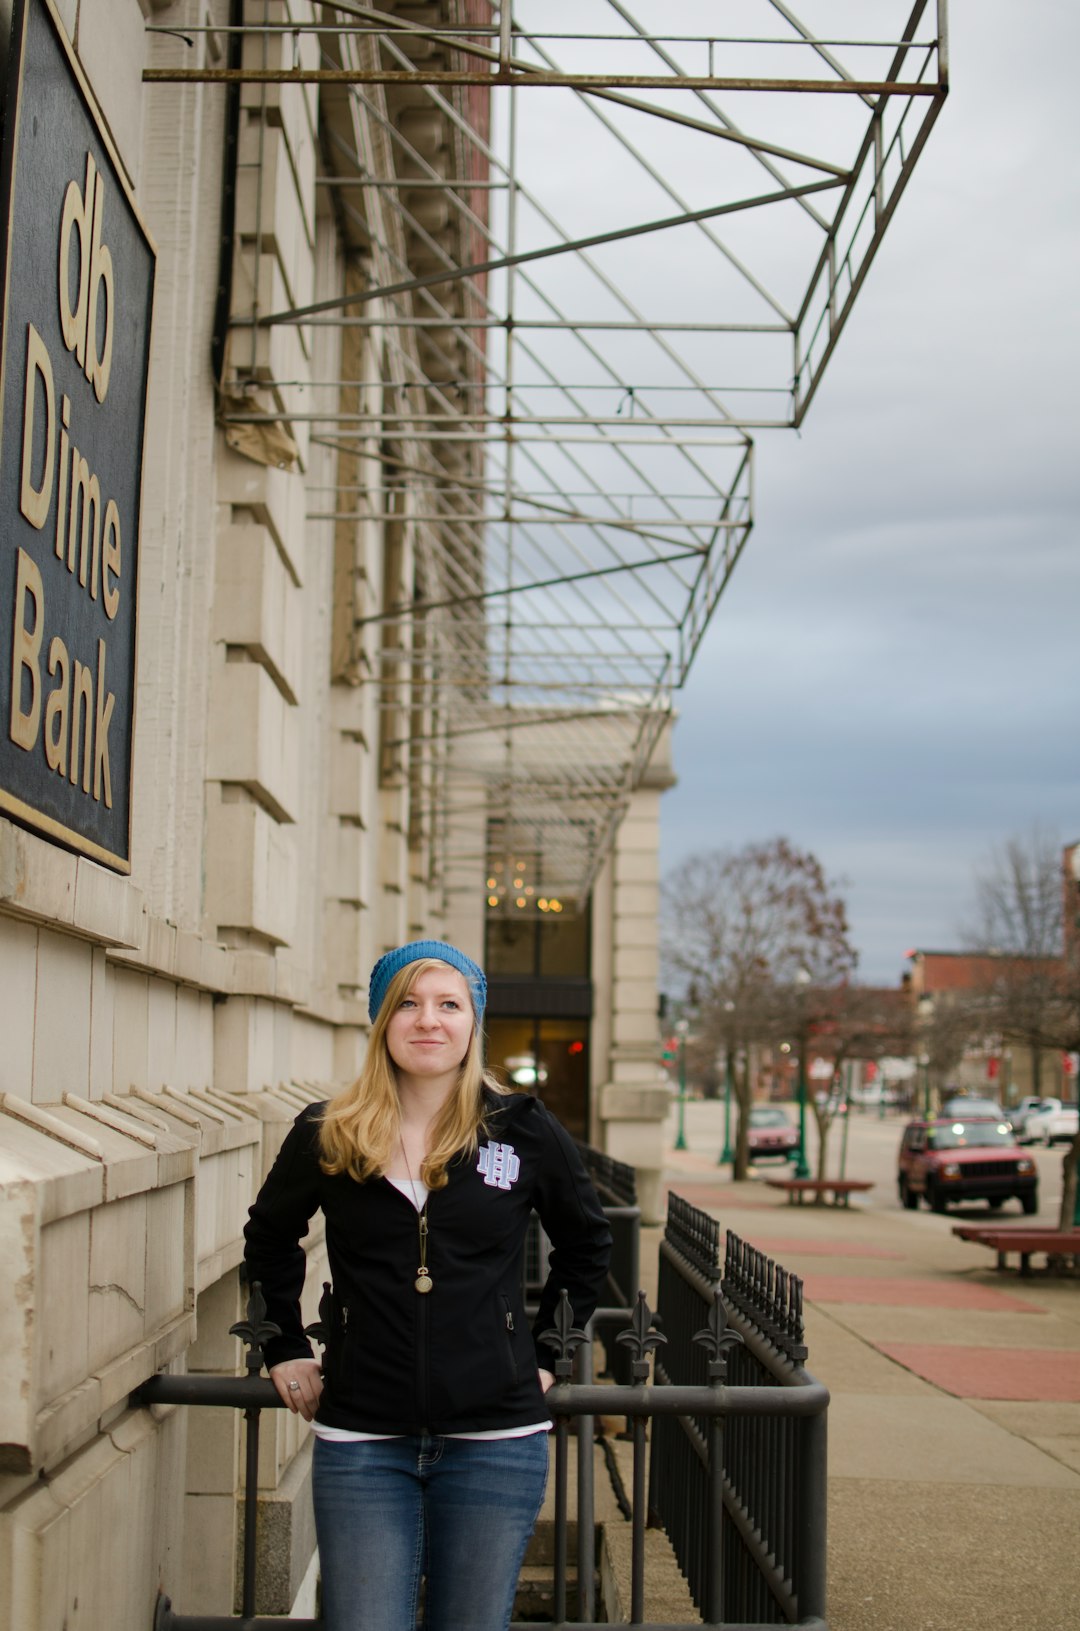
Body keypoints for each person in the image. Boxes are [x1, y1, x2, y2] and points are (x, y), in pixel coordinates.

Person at [244, 938, 612, 1631]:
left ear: (474, 1022)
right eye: (406, 1003)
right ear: (382, 1021)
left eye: (449, 1004)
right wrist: (283, 1343)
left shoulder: (522, 1129)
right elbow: (269, 1235)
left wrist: (545, 1353)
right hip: (361, 1439)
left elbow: (588, 1241)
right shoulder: (329, 1131)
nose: (428, 1020)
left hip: (495, 1441)